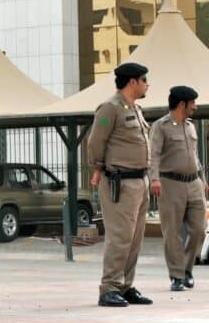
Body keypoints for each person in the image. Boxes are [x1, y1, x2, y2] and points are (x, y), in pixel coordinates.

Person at [87, 62, 152, 307]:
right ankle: (109, 288)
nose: (147, 85)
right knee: (120, 237)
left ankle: (125, 286)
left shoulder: (136, 109)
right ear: (132, 82)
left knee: (135, 238)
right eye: (144, 80)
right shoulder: (109, 109)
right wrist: (97, 168)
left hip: (140, 181)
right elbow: (96, 141)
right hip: (120, 181)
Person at [149, 85, 207, 291]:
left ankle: (187, 269)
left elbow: (195, 156)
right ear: (182, 104)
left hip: (194, 183)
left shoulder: (190, 126)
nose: (195, 107)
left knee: (199, 230)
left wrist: (203, 179)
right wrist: (154, 179)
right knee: (172, 232)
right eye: (193, 103)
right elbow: (153, 154)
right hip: (170, 184)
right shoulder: (161, 126)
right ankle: (177, 276)